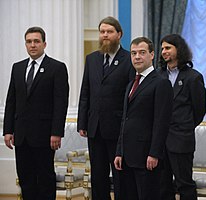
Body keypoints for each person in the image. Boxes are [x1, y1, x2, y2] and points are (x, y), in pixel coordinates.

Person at [3, 26, 69, 200]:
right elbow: (11, 101)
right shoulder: (17, 68)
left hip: (45, 136)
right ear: (25, 44)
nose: (33, 45)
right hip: (21, 135)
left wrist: (56, 132)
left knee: (45, 179)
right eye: (29, 42)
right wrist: (8, 130)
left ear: (44, 44)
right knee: (26, 179)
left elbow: (61, 103)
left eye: (36, 41)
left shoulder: (57, 68)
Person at [77, 16, 135, 200]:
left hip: (118, 129)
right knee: (98, 176)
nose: (105, 35)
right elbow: (85, 92)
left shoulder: (129, 59)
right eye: (102, 32)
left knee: (120, 176)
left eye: (109, 31)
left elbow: (131, 97)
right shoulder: (92, 59)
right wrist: (82, 122)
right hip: (95, 128)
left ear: (119, 34)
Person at [114, 37, 173, 200]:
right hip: (126, 157)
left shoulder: (161, 83)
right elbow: (124, 120)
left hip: (147, 157)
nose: (137, 57)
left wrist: (154, 153)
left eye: (142, 52)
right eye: (133, 53)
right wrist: (119, 151)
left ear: (152, 55)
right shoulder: (131, 84)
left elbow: (161, 122)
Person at [157, 34, 206, 200]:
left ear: (179, 49)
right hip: (159, 141)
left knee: (184, 184)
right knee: (162, 185)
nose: (164, 52)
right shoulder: (158, 76)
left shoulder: (193, 77)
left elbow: (199, 109)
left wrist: (185, 125)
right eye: (162, 48)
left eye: (168, 48)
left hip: (181, 139)